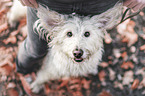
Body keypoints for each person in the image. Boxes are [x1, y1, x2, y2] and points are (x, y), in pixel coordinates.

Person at [16, 0, 145, 74]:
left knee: (92, 43)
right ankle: (23, 70)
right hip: (52, 2)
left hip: (101, 3)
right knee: (35, 49)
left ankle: (89, 66)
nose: (77, 49)